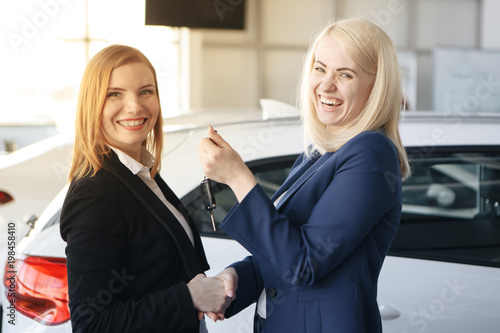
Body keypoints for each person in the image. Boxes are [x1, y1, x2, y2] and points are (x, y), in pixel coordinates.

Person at [199, 18, 411, 332]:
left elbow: (303, 264)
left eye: (345, 74)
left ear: (376, 86)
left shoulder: (371, 152)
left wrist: (236, 176)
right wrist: (236, 278)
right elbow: (284, 250)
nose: (326, 85)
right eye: (320, 68)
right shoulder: (321, 151)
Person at [60, 44, 232, 333]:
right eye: (114, 93)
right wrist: (190, 297)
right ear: (92, 104)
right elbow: (92, 325)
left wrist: (203, 288)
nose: (135, 107)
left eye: (145, 91)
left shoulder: (141, 174)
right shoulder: (95, 193)